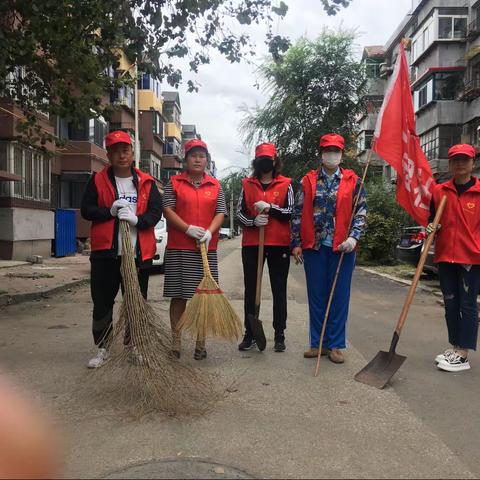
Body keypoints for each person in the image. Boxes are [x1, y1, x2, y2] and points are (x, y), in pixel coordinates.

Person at [81, 130, 163, 368]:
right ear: (108, 154)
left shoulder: (147, 182)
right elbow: (86, 209)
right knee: (103, 302)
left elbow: (155, 213)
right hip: (106, 255)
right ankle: (103, 348)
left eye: (125, 150)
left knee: (136, 303)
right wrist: (109, 211)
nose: (121, 155)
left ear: (132, 152)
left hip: (137, 254)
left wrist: (138, 220)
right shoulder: (97, 180)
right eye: (115, 151)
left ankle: (134, 347)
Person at [291, 133, 367, 364]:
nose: (331, 155)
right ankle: (318, 343)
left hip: (342, 248)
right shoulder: (308, 180)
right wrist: (295, 243)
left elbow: (361, 212)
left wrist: (353, 238)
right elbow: (297, 213)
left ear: (342, 154)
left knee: (339, 296)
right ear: (321, 154)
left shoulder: (354, 181)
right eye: (328, 151)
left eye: (336, 151)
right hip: (314, 247)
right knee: (317, 296)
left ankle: (335, 344)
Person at [163, 139, 227, 360]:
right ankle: (176, 342)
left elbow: (220, 212)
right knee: (179, 296)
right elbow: (168, 210)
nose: (198, 159)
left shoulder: (215, 185)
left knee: (204, 298)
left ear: (206, 160)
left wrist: (209, 232)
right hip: (180, 247)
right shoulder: (174, 183)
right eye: (193, 155)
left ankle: (201, 343)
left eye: (202, 156)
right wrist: (187, 228)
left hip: (206, 250)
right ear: (186, 160)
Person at [237, 143, 294, 352]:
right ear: (256, 162)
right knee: (251, 289)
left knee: (279, 289)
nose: (265, 163)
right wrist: (253, 222)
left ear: (275, 161)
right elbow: (239, 214)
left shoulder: (286, 184)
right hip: (253, 244)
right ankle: (250, 333)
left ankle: (280, 334)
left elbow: (290, 212)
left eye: (268, 159)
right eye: (261, 159)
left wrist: (271, 209)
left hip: (279, 243)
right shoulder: (246, 184)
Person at [430, 144, 480, 372]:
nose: (460, 163)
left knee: (467, 305)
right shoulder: (440, 191)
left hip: (471, 258)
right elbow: (434, 220)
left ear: (473, 163)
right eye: (455, 160)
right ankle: (455, 346)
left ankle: (463, 354)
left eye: (465, 159)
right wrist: (432, 228)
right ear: (449, 163)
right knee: (450, 303)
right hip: (445, 256)